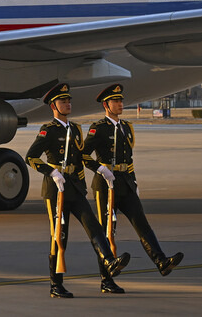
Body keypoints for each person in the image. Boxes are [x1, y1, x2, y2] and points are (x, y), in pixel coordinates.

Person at [25, 83, 131, 298]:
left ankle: (110, 263)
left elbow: (80, 159)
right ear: (54, 106)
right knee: (59, 237)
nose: (68, 104)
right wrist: (52, 173)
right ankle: (56, 284)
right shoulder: (48, 130)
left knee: (94, 227)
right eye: (63, 101)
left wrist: (85, 180)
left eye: (69, 100)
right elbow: (30, 157)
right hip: (56, 190)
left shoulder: (75, 129)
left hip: (74, 186)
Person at [82, 84, 184, 282]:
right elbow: (83, 155)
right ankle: (107, 279)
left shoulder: (127, 127)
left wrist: (134, 183)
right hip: (105, 184)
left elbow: (128, 160)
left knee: (141, 223)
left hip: (126, 183)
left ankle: (161, 261)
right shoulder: (98, 128)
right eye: (116, 101)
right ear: (106, 104)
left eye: (121, 101)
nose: (120, 104)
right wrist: (100, 169)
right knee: (106, 231)